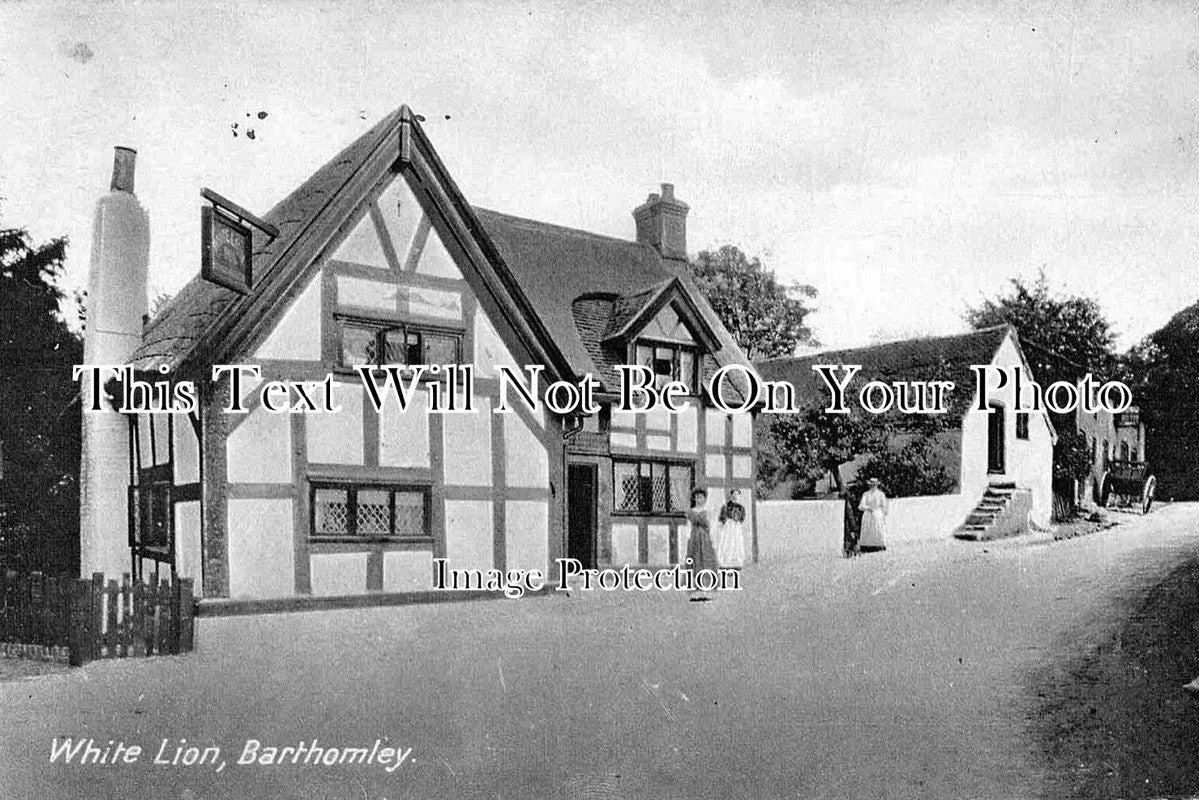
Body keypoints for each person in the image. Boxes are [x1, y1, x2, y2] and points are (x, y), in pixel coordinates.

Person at [684, 488, 719, 601]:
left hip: (705, 539)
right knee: (695, 563)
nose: (699, 499)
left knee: (706, 562)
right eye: (697, 497)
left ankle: (706, 591)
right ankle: (696, 591)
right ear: (694, 498)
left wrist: (713, 540)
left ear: (705, 498)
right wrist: (688, 539)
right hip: (694, 539)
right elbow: (688, 527)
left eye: (701, 497)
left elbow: (712, 527)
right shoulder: (691, 512)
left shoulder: (708, 511)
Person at [717, 488, 747, 568]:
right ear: (731, 495)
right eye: (734, 494)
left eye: (737, 494)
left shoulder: (741, 507)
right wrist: (725, 521)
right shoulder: (727, 506)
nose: (735, 496)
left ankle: (736, 562)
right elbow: (722, 516)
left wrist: (738, 519)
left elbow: (742, 517)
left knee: (737, 542)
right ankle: (726, 561)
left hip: (736, 526)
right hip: (729, 525)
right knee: (728, 541)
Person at [857, 478, 889, 553]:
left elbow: (884, 506)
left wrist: (883, 514)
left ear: (877, 485)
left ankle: (879, 545)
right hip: (868, 514)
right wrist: (868, 508)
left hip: (877, 514)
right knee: (868, 529)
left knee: (878, 529)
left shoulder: (881, 494)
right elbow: (861, 506)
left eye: (874, 485)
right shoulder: (866, 494)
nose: (873, 486)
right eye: (871, 485)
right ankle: (867, 546)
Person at [842, 488, 861, 557]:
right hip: (849, 522)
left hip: (849, 522)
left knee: (850, 536)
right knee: (851, 536)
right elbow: (850, 515)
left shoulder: (850, 503)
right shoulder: (849, 503)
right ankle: (851, 549)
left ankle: (850, 550)